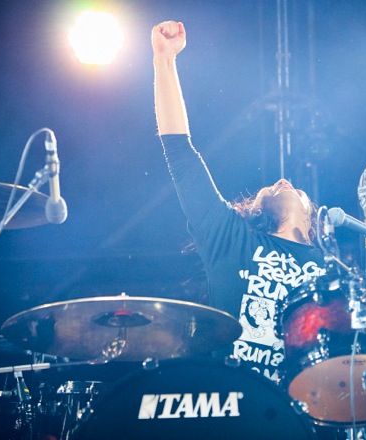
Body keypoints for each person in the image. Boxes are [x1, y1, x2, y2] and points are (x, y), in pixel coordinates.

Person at [151, 20, 325, 382]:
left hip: (304, 405)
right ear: (256, 209)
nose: (282, 181)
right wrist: (164, 60)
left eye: (295, 187)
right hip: (234, 399)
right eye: (270, 186)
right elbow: (180, 153)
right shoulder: (230, 238)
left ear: (312, 215)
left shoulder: (331, 270)